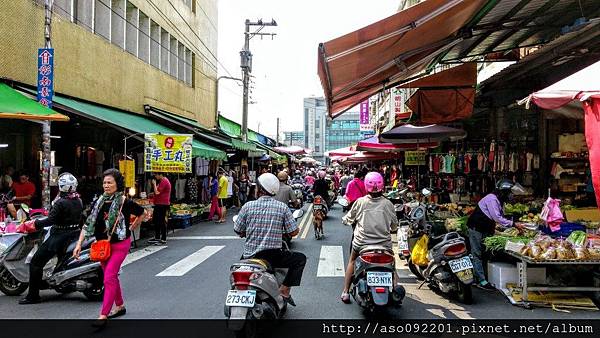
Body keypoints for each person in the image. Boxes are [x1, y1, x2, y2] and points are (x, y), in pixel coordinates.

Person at [73, 169, 145, 327]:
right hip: (102, 247)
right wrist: (79, 244)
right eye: (104, 182)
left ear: (117, 184)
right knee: (111, 277)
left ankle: (103, 315)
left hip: (120, 245)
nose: (106, 185)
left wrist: (133, 226)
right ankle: (120, 306)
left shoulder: (124, 201)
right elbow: (88, 223)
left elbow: (142, 212)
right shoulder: (99, 202)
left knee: (108, 277)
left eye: (110, 182)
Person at [234, 173, 307, 306]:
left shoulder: (247, 206)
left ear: (260, 189)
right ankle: (284, 291)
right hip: (272, 257)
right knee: (300, 259)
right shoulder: (282, 207)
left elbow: (238, 229)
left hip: (249, 256)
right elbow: (293, 232)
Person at [17, 173, 83, 304]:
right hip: (74, 233)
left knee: (36, 262)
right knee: (60, 261)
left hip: (59, 236)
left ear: (61, 187)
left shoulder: (60, 202)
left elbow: (51, 220)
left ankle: (33, 296)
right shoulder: (78, 200)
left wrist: (34, 224)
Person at [340, 172, 399, 304]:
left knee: (352, 261)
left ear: (366, 186)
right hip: (384, 245)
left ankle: (345, 291)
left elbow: (349, 219)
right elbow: (394, 225)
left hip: (361, 244)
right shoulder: (388, 204)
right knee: (392, 265)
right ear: (382, 186)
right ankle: (395, 289)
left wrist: (345, 220)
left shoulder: (360, 202)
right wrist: (392, 228)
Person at [467, 179, 522, 290]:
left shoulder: (498, 200)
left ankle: (483, 276)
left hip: (485, 229)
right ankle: (481, 280)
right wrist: (513, 224)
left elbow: (498, 216)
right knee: (477, 254)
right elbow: (497, 217)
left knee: (485, 253)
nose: (511, 196)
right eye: (510, 193)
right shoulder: (492, 199)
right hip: (476, 228)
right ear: (504, 192)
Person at [149, 173, 171, 245]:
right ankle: (157, 237)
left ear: (160, 174)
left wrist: (154, 184)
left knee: (161, 221)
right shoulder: (162, 181)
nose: (155, 177)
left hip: (163, 204)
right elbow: (157, 192)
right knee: (156, 220)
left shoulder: (164, 181)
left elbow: (157, 192)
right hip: (158, 204)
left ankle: (163, 239)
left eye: (156, 175)